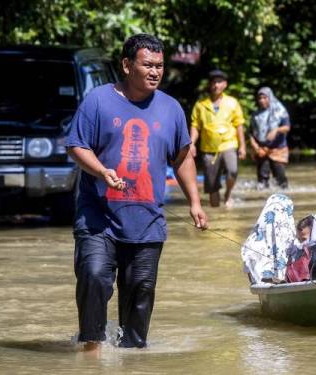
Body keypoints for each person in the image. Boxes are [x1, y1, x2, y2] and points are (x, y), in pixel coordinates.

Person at [66, 34, 208, 352]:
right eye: (147, 65)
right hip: (97, 217)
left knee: (141, 291)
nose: (155, 71)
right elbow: (76, 145)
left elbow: (183, 157)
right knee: (94, 276)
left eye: (159, 65)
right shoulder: (98, 101)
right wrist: (101, 171)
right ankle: (92, 350)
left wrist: (195, 203)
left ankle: (131, 356)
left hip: (146, 221)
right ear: (127, 65)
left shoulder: (171, 109)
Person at [190, 69, 246, 207]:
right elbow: (195, 125)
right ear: (210, 85)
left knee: (232, 171)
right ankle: (216, 217)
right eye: (214, 82)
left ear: (225, 84)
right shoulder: (200, 105)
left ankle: (228, 193)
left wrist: (242, 146)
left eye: (219, 82)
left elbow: (239, 125)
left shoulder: (232, 102)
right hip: (208, 148)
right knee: (211, 185)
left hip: (228, 144)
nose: (216, 85)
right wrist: (191, 144)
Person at [241, 194, 296, 284]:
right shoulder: (292, 238)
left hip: (261, 285)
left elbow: (249, 273)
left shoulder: (251, 241)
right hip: (289, 282)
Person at [249, 87, 291, 189]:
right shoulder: (256, 115)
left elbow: (287, 127)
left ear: (270, 98)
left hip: (277, 149)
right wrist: (256, 147)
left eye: (265, 98)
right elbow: (251, 133)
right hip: (262, 150)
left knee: (280, 180)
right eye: (260, 98)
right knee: (262, 181)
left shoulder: (280, 111)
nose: (262, 100)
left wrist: (276, 130)